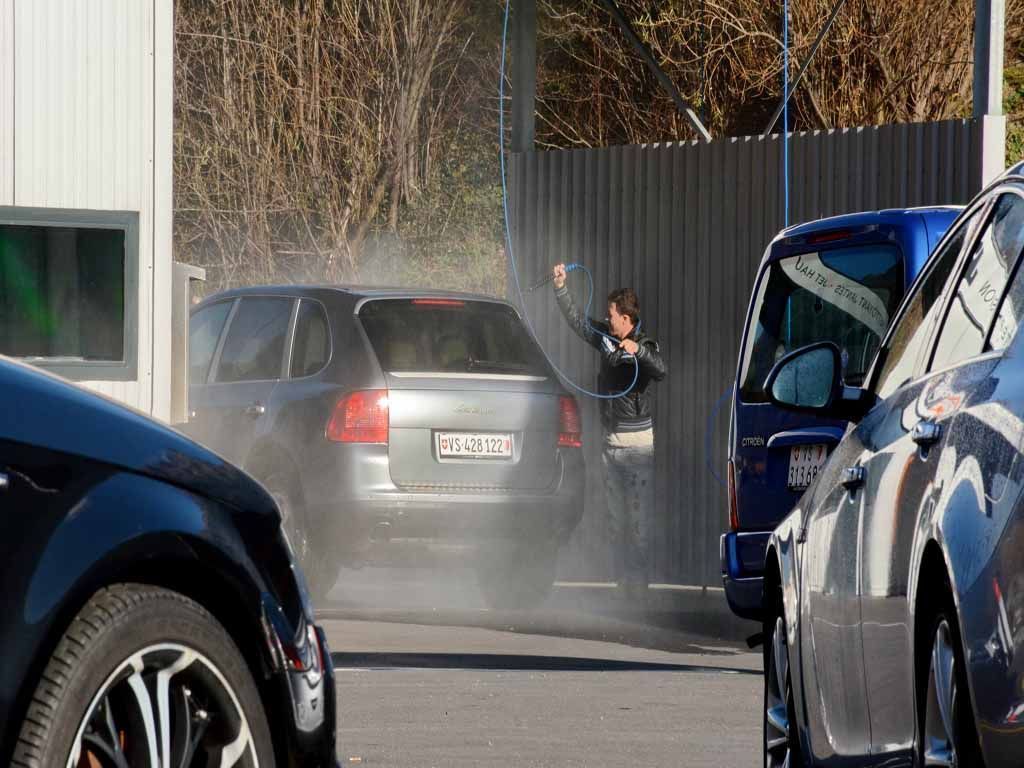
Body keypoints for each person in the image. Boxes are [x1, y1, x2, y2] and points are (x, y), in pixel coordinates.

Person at [551, 263, 667, 603]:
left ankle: (640, 587)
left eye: (612, 315)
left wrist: (639, 352)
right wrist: (561, 288)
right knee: (617, 521)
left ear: (626, 319)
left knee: (638, 521)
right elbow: (578, 323)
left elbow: (661, 369)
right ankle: (622, 586)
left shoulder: (646, 344)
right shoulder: (605, 337)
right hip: (610, 445)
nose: (608, 318)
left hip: (637, 447)